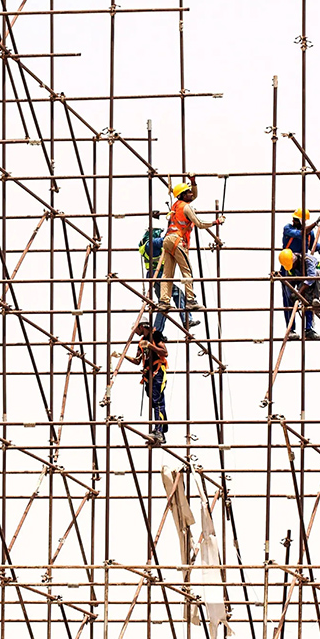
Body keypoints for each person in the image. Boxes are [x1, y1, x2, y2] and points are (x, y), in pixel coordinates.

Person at [158, 177, 224, 314]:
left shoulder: (176, 206)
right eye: (188, 192)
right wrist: (216, 222)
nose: (191, 194)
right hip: (177, 240)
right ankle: (190, 300)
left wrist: (193, 182)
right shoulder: (186, 207)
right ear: (182, 195)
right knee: (187, 270)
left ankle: (164, 301)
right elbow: (200, 223)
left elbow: (195, 195)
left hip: (168, 240)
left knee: (167, 273)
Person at [279, 205, 320, 340]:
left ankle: (308, 328)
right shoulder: (288, 228)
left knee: (307, 297)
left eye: (296, 220)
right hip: (288, 266)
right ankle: (291, 329)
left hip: (302, 266)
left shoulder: (310, 234)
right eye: (294, 219)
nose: (293, 221)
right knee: (289, 299)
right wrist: (316, 223)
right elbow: (300, 234)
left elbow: (315, 246)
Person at [140, 228, 200, 331]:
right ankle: (187, 320)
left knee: (163, 304)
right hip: (158, 276)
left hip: (155, 276)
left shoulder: (146, 245)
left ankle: (157, 331)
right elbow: (167, 240)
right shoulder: (151, 244)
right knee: (178, 294)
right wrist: (176, 233)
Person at [126, 323, 170, 444]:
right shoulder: (141, 341)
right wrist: (123, 356)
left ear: (141, 326)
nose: (135, 332)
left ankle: (159, 430)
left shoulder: (155, 336)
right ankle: (162, 427)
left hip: (157, 372)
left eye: (136, 329)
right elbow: (137, 360)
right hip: (148, 375)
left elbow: (164, 352)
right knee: (155, 402)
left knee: (158, 401)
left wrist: (150, 346)